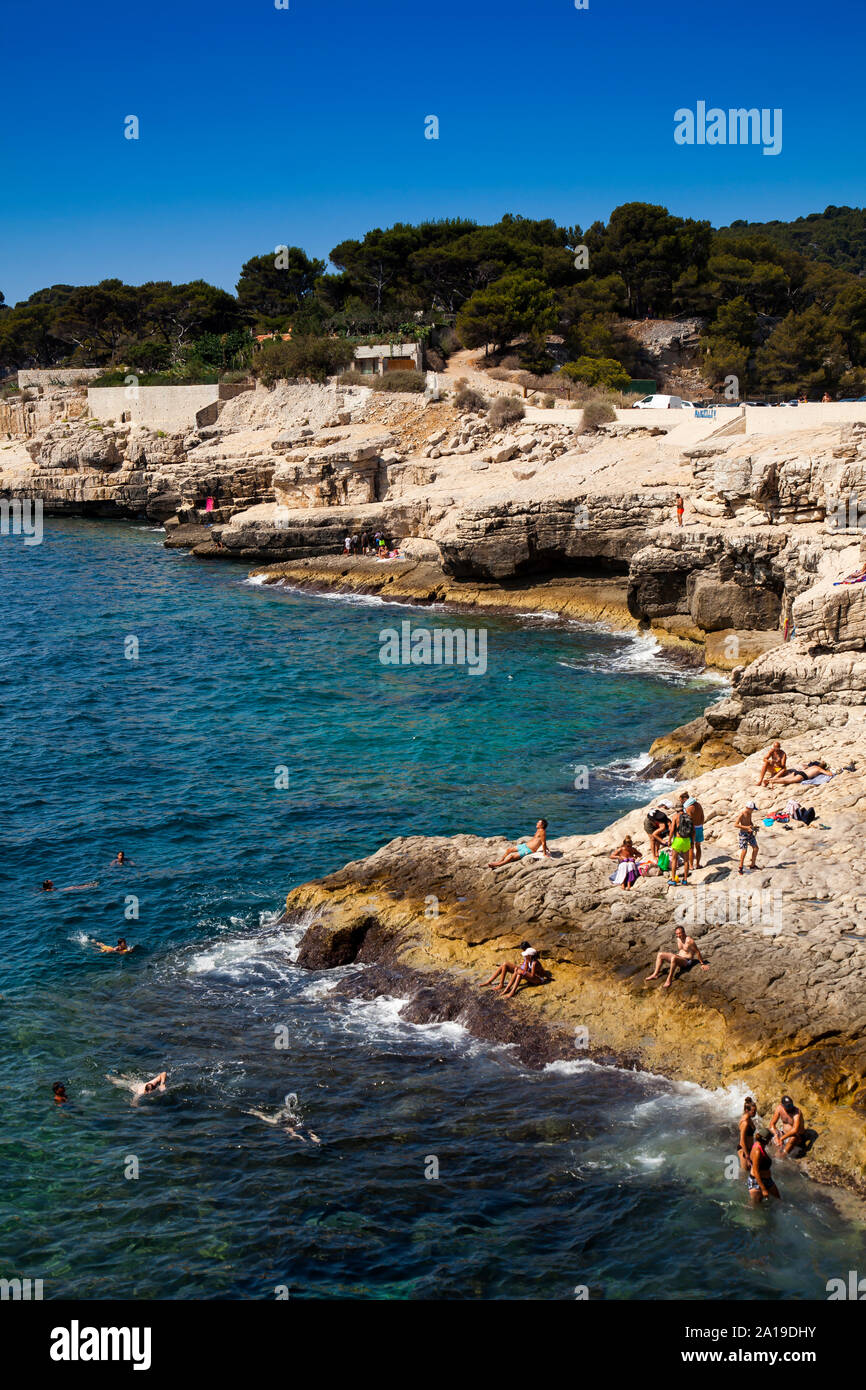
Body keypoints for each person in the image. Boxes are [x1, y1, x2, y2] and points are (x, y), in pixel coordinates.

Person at [482, 942, 547, 996]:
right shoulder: (528, 959)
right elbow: (526, 969)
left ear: (530, 955)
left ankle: (512, 991)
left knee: (519, 972)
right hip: (529, 974)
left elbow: (533, 975)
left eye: (524, 951)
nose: (524, 954)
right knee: (505, 964)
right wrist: (521, 970)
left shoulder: (534, 963)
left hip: (537, 979)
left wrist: (522, 972)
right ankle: (503, 987)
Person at [748, 1128, 781, 1204]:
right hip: (756, 1182)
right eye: (770, 1138)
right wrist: (763, 1189)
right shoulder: (757, 1151)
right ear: (766, 1140)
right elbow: (756, 1171)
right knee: (755, 1207)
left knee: (778, 1200)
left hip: (767, 1180)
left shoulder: (759, 1145)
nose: (771, 1141)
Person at [667, 801, 693, 885]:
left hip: (678, 840)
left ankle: (673, 880)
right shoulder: (688, 816)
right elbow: (693, 830)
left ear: (676, 809)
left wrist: (669, 840)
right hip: (686, 840)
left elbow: (672, 830)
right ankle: (685, 880)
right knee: (686, 861)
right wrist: (692, 841)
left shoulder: (675, 816)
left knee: (674, 860)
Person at [735, 801, 760, 874]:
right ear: (748, 808)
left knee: (756, 848)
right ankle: (740, 867)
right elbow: (736, 824)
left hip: (750, 833)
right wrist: (746, 827)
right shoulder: (742, 814)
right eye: (752, 809)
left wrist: (753, 827)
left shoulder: (750, 813)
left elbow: (749, 821)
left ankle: (752, 865)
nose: (753, 811)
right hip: (743, 834)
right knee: (744, 850)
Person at [684, 794, 705, 869]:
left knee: (691, 847)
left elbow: (689, 821)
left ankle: (691, 865)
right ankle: (698, 864)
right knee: (698, 846)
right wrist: (700, 825)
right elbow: (702, 817)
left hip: (692, 829)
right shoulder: (699, 805)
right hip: (699, 827)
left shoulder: (688, 808)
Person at [738, 1097, 758, 1172]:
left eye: (755, 1111)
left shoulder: (748, 1118)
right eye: (753, 1112)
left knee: (751, 1171)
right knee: (745, 1173)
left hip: (749, 1149)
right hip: (744, 1150)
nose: (755, 1113)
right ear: (747, 1110)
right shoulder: (745, 1123)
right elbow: (742, 1140)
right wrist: (747, 1156)